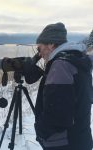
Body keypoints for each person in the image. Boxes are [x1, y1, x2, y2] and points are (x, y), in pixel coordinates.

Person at [23, 22, 93, 150]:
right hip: (80, 138)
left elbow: (57, 115)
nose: (39, 53)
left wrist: (41, 131)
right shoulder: (76, 60)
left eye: (39, 48)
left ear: (50, 44)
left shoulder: (60, 66)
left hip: (64, 143)